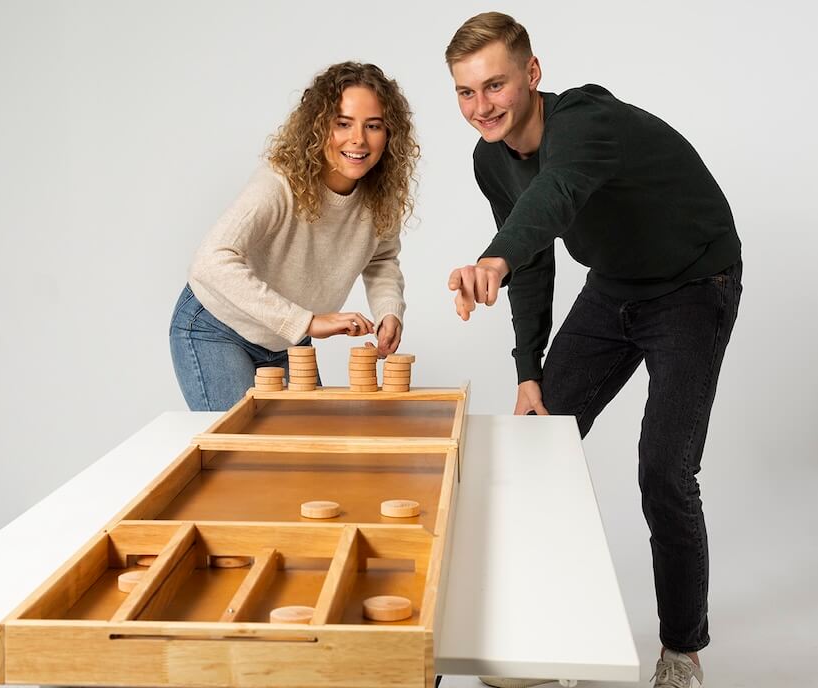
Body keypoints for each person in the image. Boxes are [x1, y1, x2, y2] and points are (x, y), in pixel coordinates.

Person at [444, 12, 741, 688]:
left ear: (532, 74)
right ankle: (540, 637)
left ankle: (680, 650)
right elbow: (534, 259)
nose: (480, 107)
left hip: (694, 282)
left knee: (663, 471)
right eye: (465, 93)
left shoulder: (584, 122)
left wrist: (493, 257)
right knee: (529, 444)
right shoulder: (488, 159)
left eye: (494, 86)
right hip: (613, 289)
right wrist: (527, 372)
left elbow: (553, 197)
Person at [170, 62, 418, 411]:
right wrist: (309, 322)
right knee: (245, 457)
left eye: (373, 126)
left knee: (305, 451)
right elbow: (209, 263)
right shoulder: (278, 185)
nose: (359, 139)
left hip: (287, 341)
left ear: (389, 134)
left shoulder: (380, 197)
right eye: (342, 124)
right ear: (318, 127)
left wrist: (389, 312)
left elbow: (381, 259)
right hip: (217, 327)